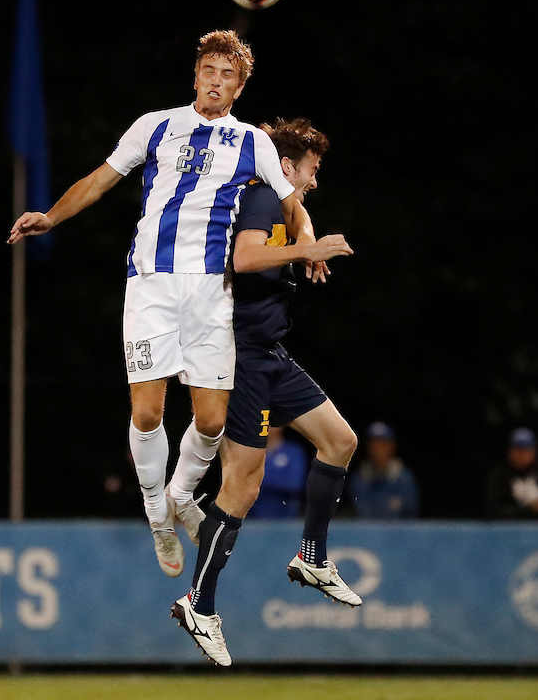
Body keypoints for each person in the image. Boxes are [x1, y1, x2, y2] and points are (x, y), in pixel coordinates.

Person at [8, 31, 320, 577]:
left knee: (212, 420)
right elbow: (100, 180)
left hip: (211, 292)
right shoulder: (156, 126)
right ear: (195, 75)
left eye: (228, 74)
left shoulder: (253, 143)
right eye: (208, 70)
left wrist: (309, 248)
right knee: (148, 410)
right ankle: (158, 517)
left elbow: (293, 204)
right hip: (152, 284)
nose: (215, 81)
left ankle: (180, 495)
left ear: (240, 86)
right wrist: (51, 216)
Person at [166, 118, 358, 666]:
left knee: (339, 442)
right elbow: (245, 258)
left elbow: (297, 214)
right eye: (311, 171)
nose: (314, 181)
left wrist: (306, 240)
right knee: (243, 488)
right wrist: (308, 248)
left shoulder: (280, 200)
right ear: (287, 166)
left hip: (271, 353)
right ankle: (199, 604)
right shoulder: (257, 199)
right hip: (241, 357)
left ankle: (313, 556)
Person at [483, 427, 538, 519]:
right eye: (517, 450)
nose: (521, 455)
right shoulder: (499, 474)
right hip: (508, 530)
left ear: (534, 452)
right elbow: (490, 509)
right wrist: (529, 509)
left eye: (525, 450)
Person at [348, 421, 420, 519]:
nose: (378, 449)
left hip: (399, 533)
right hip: (367, 533)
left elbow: (411, 515)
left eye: (382, 443)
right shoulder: (359, 479)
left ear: (391, 446)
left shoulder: (404, 479)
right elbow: (361, 514)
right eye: (374, 444)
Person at [252, 425, 308, 519]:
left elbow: (295, 483)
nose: (268, 427)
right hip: (252, 518)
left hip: (284, 517)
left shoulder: (293, 451)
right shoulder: (251, 452)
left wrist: (260, 480)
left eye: (271, 424)